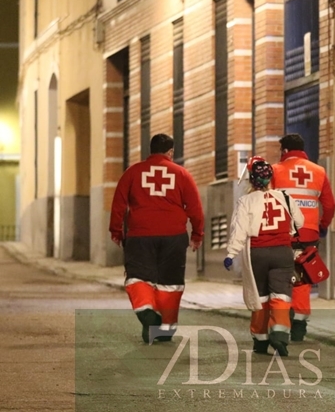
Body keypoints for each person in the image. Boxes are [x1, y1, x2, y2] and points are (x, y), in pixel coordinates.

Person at [109, 133, 204, 344]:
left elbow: (118, 204)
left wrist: (116, 231)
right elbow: (195, 208)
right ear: (171, 152)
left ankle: (148, 316)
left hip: (140, 234)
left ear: (150, 150)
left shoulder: (132, 172)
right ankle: (165, 327)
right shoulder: (182, 174)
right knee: (170, 281)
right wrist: (197, 234)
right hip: (174, 236)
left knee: (138, 277)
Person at [224, 157, 304, 357]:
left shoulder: (245, 201)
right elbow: (300, 222)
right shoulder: (285, 197)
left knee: (259, 297)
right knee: (281, 295)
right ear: (270, 178)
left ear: (251, 180)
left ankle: (260, 341)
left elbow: (239, 231)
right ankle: (279, 334)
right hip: (282, 253)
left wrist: (231, 254)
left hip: (257, 255)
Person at [271, 134, 335, 342]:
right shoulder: (319, 171)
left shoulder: (275, 171)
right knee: (303, 277)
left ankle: (281, 323)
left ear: (284, 151)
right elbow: (330, 205)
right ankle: (299, 324)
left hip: (281, 233)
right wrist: (322, 226)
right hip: (308, 234)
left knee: (279, 277)